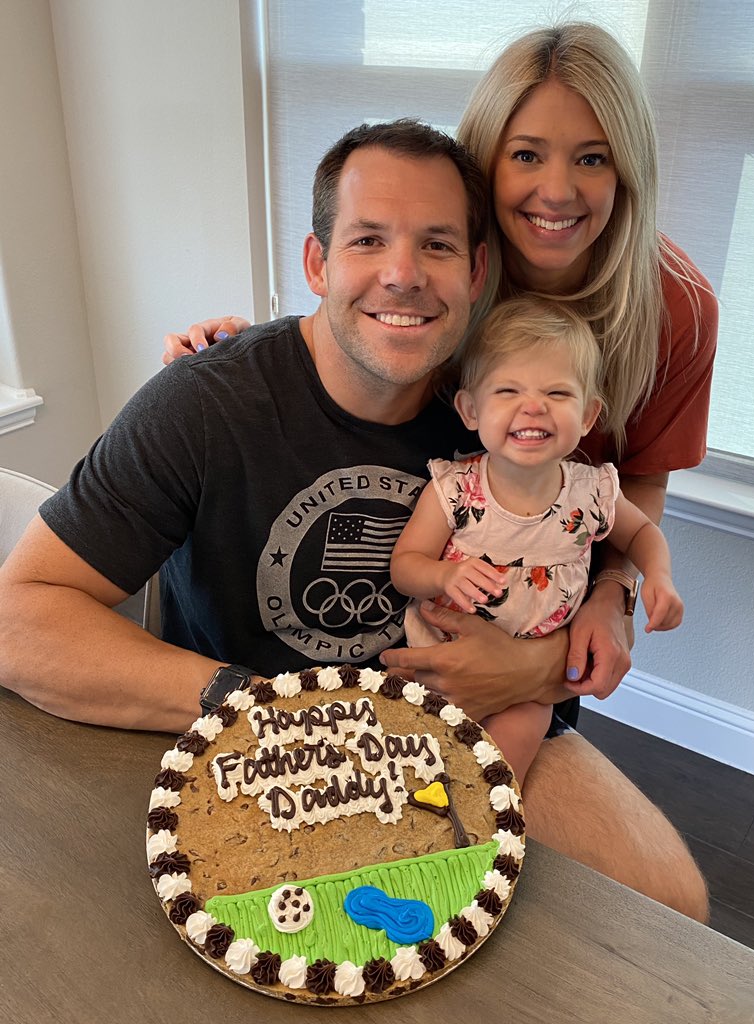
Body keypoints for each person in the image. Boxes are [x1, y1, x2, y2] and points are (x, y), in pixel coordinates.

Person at [0, 111, 708, 920]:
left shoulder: (497, 411)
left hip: (462, 727)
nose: (403, 274)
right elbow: (19, 622)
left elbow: (580, 548)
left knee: (671, 903)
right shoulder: (205, 404)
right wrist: (263, 706)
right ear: (317, 261)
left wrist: (591, 618)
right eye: (368, 239)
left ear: (478, 270)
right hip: (260, 749)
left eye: (437, 245)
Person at [390, 295, 683, 784]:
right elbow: (404, 566)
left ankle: (484, 819)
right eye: (508, 390)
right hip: (438, 660)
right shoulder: (455, 489)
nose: (533, 406)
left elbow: (642, 533)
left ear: (588, 415)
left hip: (528, 685)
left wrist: (659, 575)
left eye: (557, 393)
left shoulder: (592, 492)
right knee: (412, 756)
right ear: (470, 409)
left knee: (506, 762)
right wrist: (443, 575)